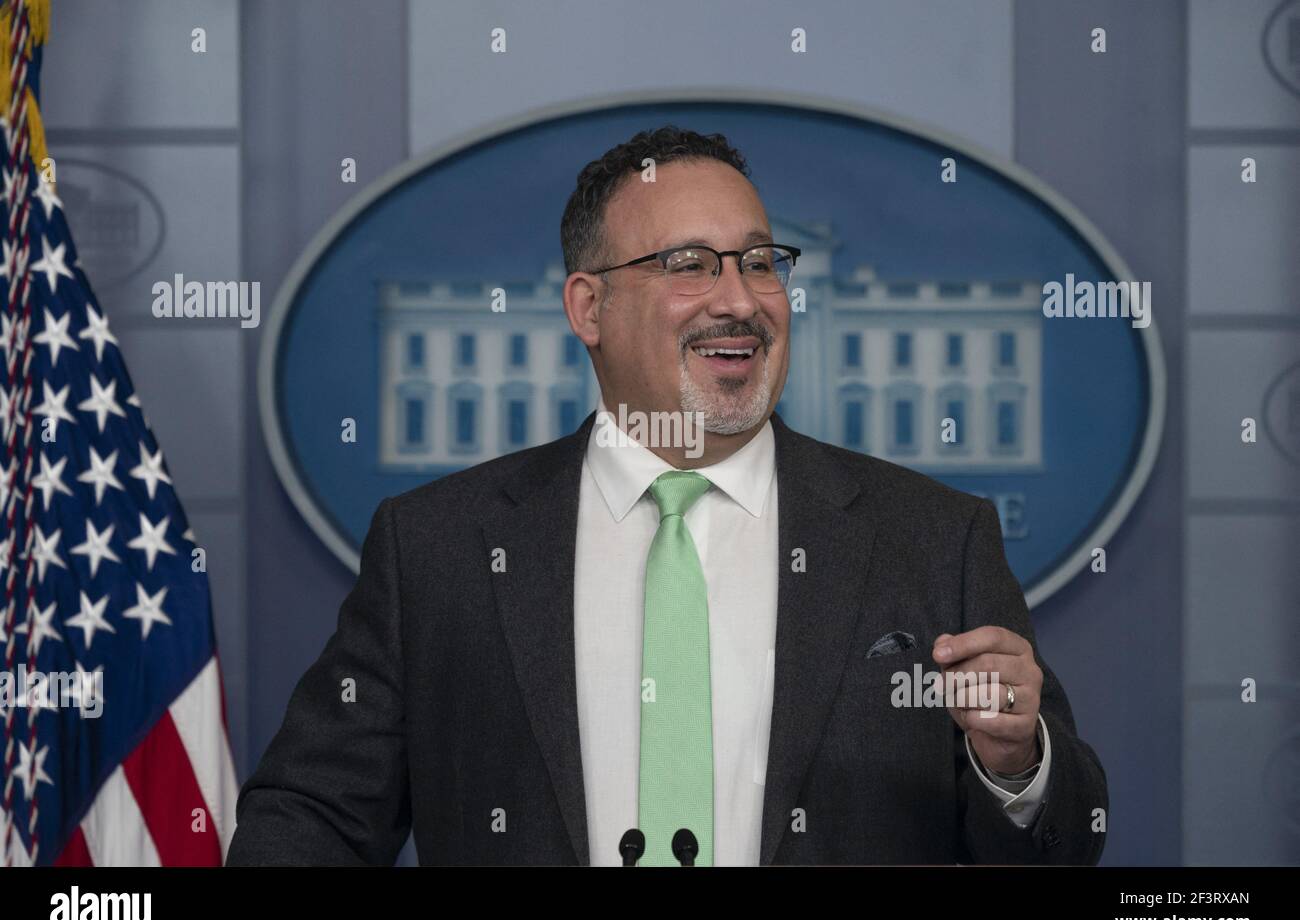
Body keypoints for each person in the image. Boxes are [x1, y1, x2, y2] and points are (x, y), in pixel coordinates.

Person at [227, 126, 1107, 866]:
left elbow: (1067, 840)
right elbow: (310, 824)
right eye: (690, 265)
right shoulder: (436, 550)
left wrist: (1016, 766)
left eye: (761, 264)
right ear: (588, 307)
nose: (740, 300)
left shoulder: (934, 540)